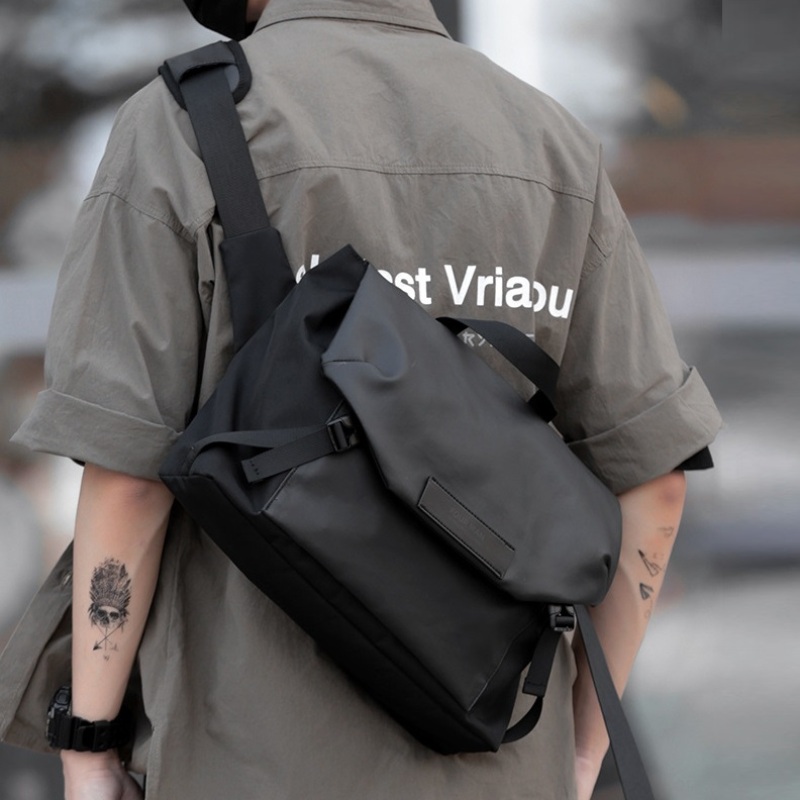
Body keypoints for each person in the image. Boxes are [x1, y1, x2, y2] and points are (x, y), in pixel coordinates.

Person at [0, 1, 722, 798]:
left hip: (246, 760)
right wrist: (581, 755)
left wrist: (89, 746)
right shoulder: (550, 141)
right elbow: (653, 478)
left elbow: (129, 480)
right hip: (504, 767)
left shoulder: (191, 122)